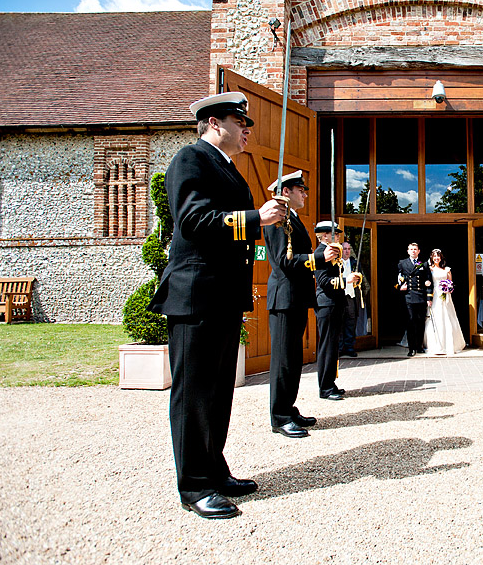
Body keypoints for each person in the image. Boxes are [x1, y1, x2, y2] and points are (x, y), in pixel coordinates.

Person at [149, 91, 287, 519]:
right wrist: (255, 218)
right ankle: (194, 486)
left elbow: (237, 237)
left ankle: (215, 469)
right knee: (194, 393)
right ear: (213, 123)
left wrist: (262, 224)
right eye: (239, 121)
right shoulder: (191, 159)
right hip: (196, 294)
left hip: (223, 295)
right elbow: (192, 221)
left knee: (217, 393)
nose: (247, 129)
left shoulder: (230, 171)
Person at [265, 170, 340, 439]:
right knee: (284, 360)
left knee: (294, 359)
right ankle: (280, 417)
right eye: (301, 190)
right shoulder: (276, 220)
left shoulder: (292, 219)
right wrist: (318, 257)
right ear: (286, 192)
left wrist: (319, 256)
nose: (305, 194)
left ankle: (288, 407)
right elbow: (283, 261)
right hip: (284, 299)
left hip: (295, 298)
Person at [313, 223, 361, 400]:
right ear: (324, 236)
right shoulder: (320, 254)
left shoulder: (335, 253)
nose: (339, 237)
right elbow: (324, 281)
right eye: (335, 234)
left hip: (336, 303)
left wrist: (351, 280)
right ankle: (325, 388)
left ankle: (330, 383)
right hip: (327, 304)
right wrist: (345, 280)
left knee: (333, 346)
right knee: (327, 346)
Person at [424, 248, 466, 355]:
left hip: (445, 296)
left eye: (438, 256)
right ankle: (435, 344)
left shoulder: (446, 269)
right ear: (432, 258)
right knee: (435, 317)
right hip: (434, 295)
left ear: (441, 258)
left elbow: (450, 283)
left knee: (447, 316)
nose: (436, 258)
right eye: (434, 256)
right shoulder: (429, 269)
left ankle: (449, 344)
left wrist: (448, 288)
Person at [398, 242, 432, 356]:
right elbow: (397, 278)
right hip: (409, 296)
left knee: (420, 322)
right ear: (408, 251)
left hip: (421, 296)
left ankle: (419, 346)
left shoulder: (424, 264)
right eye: (411, 249)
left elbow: (428, 282)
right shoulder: (402, 263)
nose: (413, 251)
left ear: (419, 251)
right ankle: (411, 348)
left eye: (415, 249)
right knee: (411, 322)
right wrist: (399, 286)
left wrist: (429, 297)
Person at [339, 241, 361, 357]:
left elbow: (360, 277)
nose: (347, 251)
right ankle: (339, 348)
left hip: (351, 296)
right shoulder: (337, 263)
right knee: (340, 322)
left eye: (348, 249)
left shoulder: (354, 263)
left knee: (350, 322)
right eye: (344, 249)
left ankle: (349, 347)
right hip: (340, 296)